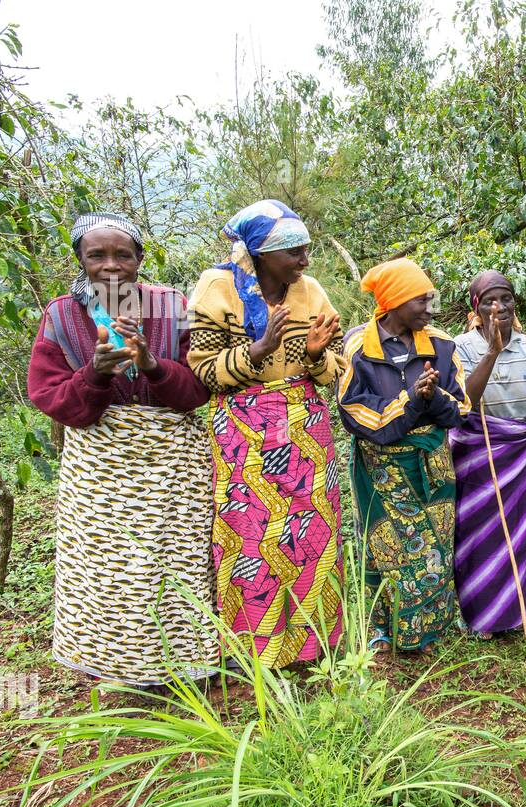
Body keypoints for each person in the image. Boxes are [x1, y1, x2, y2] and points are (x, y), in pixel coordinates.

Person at [28, 212, 216, 687]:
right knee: (108, 568)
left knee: (176, 561)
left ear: (139, 260)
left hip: (172, 463)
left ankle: (183, 665)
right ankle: (116, 664)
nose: (111, 266)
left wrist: (153, 365)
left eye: (123, 255)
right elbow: (48, 394)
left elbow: (199, 390)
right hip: (101, 467)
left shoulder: (173, 305)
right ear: (80, 259)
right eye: (97, 255)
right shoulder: (61, 315)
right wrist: (94, 374)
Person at [186, 199, 344, 669]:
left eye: (306, 249)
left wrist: (316, 356)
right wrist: (258, 349)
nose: (304, 261)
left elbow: (336, 367)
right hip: (242, 429)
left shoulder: (311, 292)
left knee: (314, 530)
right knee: (250, 532)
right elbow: (201, 373)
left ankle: (313, 644)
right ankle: (253, 648)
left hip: (305, 426)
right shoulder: (218, 288)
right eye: (293, 251)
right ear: (259, 253)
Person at [338, 257, 469, 651]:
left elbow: (460, 408)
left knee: (435, 545)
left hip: (432, 462)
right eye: (421, 301)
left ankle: (429, 630)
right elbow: (354, 409)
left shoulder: (442, 344)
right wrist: (410, 401)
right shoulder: (359, 346)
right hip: (381, 466)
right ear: (394, 302)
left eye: (430, 300)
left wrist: (432, 397)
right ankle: (383, 627)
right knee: (386, 547)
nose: (430, 310)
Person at [451, 270, 526, 638]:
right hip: (481, 447)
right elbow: (465, 401)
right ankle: (483, 614)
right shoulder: (462, 346)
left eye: (506, 299)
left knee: (525, 529)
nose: (499, 307)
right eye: (489, 301)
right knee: (484, 533)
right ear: (476, 307)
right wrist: (493, 352)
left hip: (523, 448)